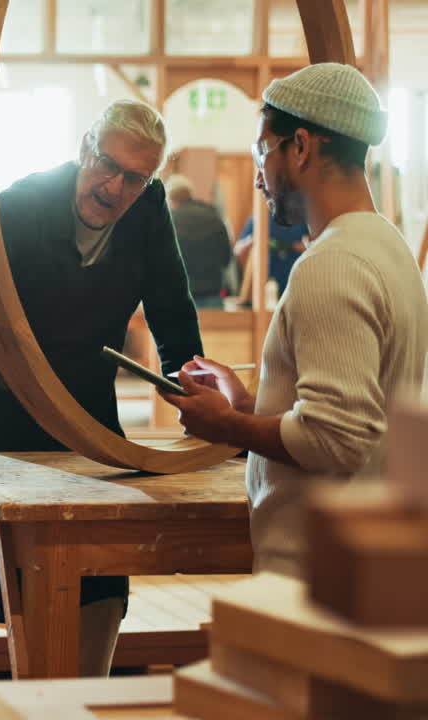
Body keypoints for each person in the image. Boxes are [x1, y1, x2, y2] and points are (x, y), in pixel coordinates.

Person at [0, 99, 203, 679]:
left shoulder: (148, 210)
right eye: (107, 166)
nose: (115, 187)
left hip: (84, 416)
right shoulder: (26, 202)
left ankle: (75, 707)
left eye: (134, 177)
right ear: (84, 149)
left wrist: (195, 395)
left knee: (99, 579)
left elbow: (174, 313)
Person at [161, 64, 428, 578]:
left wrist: (227, 424)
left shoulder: (333, 263)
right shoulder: (387, 246)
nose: (258, 174)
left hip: (317, 573)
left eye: (263, 150)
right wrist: (250, 406)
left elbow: (337, 439)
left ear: (300, 147)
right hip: (363, 557)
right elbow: (357, 418)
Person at [166, 174, 232, 308]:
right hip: (212, 294)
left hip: (179, 296)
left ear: (171, 198)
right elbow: (226, 258)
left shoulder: (169, 221)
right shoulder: (213, 216)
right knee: (214, 329)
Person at [234, 215, 308, 293]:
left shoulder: (300, 218)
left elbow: (312, 244)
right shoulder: (259, 216)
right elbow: (237, 249)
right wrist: (252, 240)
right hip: (264, 283)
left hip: (294, 278)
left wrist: (295, 246)